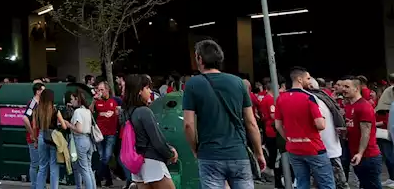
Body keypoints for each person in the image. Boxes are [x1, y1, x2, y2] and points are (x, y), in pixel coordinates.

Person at [182, 40, 265, 189]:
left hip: (209, 155)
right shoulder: (238, 83)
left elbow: (188, 124)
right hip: (238, 153)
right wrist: (259, 153)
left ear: (200, 59)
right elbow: (251, 123)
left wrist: (195, 150)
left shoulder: (192, 85)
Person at [276, 67, 335, 189]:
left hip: (293, 147)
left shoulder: (281, 98)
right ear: (299, 79)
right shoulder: (309, 97)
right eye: (308, 78)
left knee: (302, 182)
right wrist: (323, 118)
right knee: (327, 183)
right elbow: (320, 125)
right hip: (313, 146)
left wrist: (288, 138)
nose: (309, 81)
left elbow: (278, 125)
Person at [124, 75, 177, 189]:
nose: (150, 91)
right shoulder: (144, 112)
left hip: (138, 164)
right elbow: (157, 140)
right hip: (153, 162)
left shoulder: (129, 112)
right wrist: (170, 153)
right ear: (139, 91)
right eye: (147, 88)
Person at [339, 77, 382, 189]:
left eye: (347, 87)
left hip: (368, 156)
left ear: (356, 88)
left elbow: (366, 132)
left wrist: (360, 153)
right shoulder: (349, 106)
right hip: (357, 156)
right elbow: (354, 128)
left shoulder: (363, 106)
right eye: (342, 86)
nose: (343, 89)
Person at [94, 81, 121, 188]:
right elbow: (91, 111)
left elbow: (121, 111)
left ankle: (97, 177)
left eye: (102, 90)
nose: (100, 92)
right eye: (98, 90)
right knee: (102, 157)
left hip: (111, 133)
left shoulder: (115, 100)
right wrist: (94, 100)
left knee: (107, 156)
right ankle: (108, 180)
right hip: (99, 133)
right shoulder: (97, 102)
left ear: (107, 89)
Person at [68, 90, 97, 189]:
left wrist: (68, 125)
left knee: (84, 169)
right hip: (89, 140)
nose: (71, 101)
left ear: (77, 99)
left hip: (80, 140)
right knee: (88, 168)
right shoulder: (87, 111)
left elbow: (79, 129)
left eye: (72, 99)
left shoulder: (78, 112)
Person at [22, 82, 46, 189]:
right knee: (35, 163)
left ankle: (40, 185)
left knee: (41, 163)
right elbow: (25, 118)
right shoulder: (33, 103)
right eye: (43, 90)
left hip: (40, 136)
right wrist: (32, 133)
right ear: (38, 91)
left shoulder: (42, 103)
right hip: (34, 137)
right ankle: (35, 186)